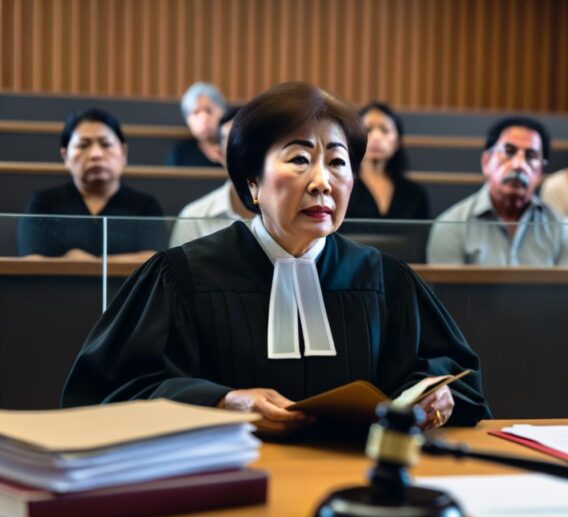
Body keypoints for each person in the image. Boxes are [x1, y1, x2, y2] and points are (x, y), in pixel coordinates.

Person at [62, 82, 491, 434]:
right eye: (300, 159)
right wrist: (219, 400)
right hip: (224, 486)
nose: (322, 181)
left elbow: (457, 377)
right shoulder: (181, 276)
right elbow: (106, 393)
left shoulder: (385, 280)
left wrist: (434, 395)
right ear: (252, 182)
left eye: (338, 163)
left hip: (355, 484)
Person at [427, 116, 568, 266]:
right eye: (509, 151)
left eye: (531, 156)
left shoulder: (561, 229)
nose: (519, 164)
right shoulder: (451, 225)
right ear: (486, 161)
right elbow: (446, 293)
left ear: (540, 172)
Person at [18, 108, 166, 260]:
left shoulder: (145, 206)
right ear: (65, 156)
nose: (96, 154)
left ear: (123, 153)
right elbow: (32, 261)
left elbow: (154, 261)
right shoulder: (44, 203)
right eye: (83, 145)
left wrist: (90, 263)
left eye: (106, 144)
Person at [169, 107, 255, 246]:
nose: (245, 152)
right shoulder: (193, 217)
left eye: (253, 142)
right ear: (219, 153)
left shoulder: (288, 215)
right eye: (234, 144)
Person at [345, 102, 430, 222]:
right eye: (368, 129)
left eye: (384, 130)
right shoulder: (343, 187)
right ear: (356, 138)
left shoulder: (415, 194)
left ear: (397, 142)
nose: (376, 137)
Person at [165, 82, 226, 167]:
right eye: (196, 112)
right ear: (187, 120)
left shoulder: (234, 148)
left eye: (209, 111)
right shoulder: (180, 153)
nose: (204, 118)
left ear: (222, 113)